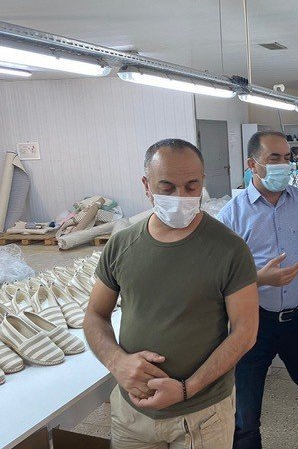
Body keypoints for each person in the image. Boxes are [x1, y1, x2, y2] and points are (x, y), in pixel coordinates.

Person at [84, 139, 259, 449]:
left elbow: (245, 332)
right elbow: (95, 314)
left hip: (202, 417)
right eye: (167, 188)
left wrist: (187, 388)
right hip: (132, 416)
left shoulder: (230, 250)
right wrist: (117, 362)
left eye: (192, 187)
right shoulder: (122, 245)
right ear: (146, 185)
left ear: (202, 182)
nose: (181, 198)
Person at [217, 130, 298, 449]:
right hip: (252, 320)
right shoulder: (231, 215)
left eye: (287, 158)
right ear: (252, 164)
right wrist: (258, 278)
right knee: (245, 417)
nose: (284, 164)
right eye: (274, 158)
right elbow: (219, 280)